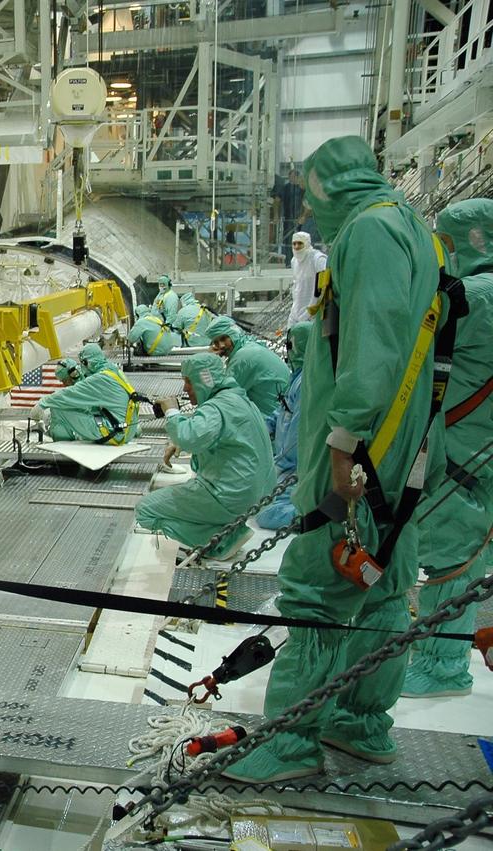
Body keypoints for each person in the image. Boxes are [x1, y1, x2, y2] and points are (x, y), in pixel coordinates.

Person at [223, 136, 446, 783]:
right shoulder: (413, 228)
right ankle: (360, 722)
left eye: (313, 195)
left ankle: (288, 746)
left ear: (333, 186)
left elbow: (370, 345)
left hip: (362, 451)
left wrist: (345, 439)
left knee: (316, 593)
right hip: (403, 448)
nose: (312, 214)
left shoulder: (369, 234)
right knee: (381, 588)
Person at [402, 199, 493, 699]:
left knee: (454, 558)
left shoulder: (475, 297)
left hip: (463, 457)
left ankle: (443, 666)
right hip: (474, 447)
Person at [134, 353, 276, 560]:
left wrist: (172, 412)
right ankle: (225, 529)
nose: (185, 389)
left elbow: (191, 437)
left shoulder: (217, 407)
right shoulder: (236, 399)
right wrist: (179, 441)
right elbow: (223, 436)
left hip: (232, 496)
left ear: (204, 378)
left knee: (145, 511)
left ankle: (223, 540)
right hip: (259, 492)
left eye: (189, 382)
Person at [257, 322, 311, 530]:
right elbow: (281, 413)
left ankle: (317, 518)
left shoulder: (306, 381)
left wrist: (279, 463)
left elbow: (296, 436)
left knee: (266, 513)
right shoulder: (298, 377)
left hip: (296, 470)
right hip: (287, 466)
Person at [36, 343, 143, 445]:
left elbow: (71, 394)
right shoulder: (114, 371)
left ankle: (63, 448)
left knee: (58, 410)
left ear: (87, 362)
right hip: (126, 429)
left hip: (115, 433)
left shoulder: (100, 379)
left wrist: (43, 403)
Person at [204, 315, 290, 416]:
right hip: (281, 417)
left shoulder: (243, 358)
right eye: (216, 343)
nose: (221, 345)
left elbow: (221, 399)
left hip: (272, 422)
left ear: (233, 334)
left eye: (223, 338)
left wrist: (207, 362)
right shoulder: (250, 346)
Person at [288, 231, 328, 328]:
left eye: (300, 243)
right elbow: (296, 288)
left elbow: (323, 288)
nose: (296, 247)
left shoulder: (318, 259)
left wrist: (311, 311)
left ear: (307, 243)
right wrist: (294, 313)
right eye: (294, 244)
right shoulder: (294, 261)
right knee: (290, 340)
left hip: (314, 315)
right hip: (296, 314)